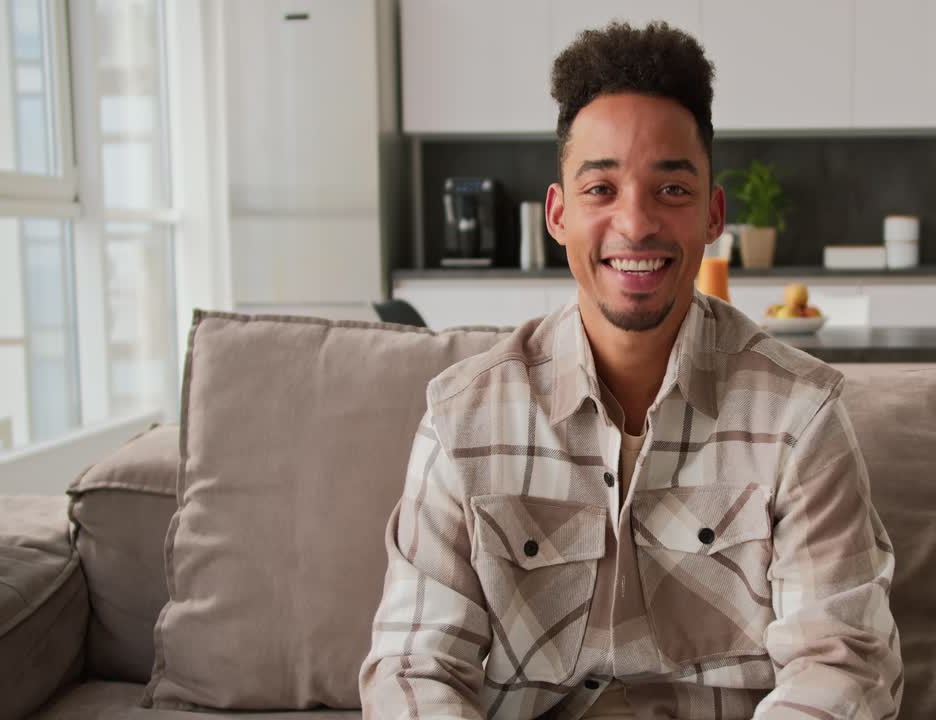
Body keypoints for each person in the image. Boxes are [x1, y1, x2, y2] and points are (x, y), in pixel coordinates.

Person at [360, 21, 901, 720]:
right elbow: (412, 669)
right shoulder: (464, 419)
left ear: (712, 216)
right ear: (559, 215)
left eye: (671, 191)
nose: (636, 222)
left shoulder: (801, 416)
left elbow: (841, 665)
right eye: (601, 189)